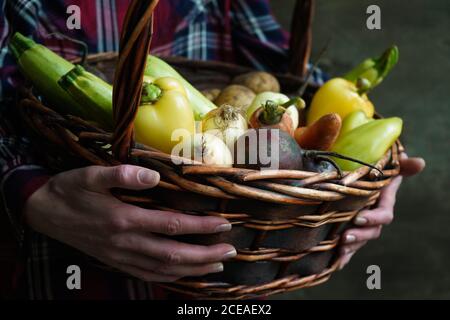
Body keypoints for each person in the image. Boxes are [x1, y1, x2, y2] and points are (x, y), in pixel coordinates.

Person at [0, 0, 424, 299]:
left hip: (237, 266)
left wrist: (374, 168)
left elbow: (281, 66)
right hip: (66, 270)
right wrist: (30, 193)